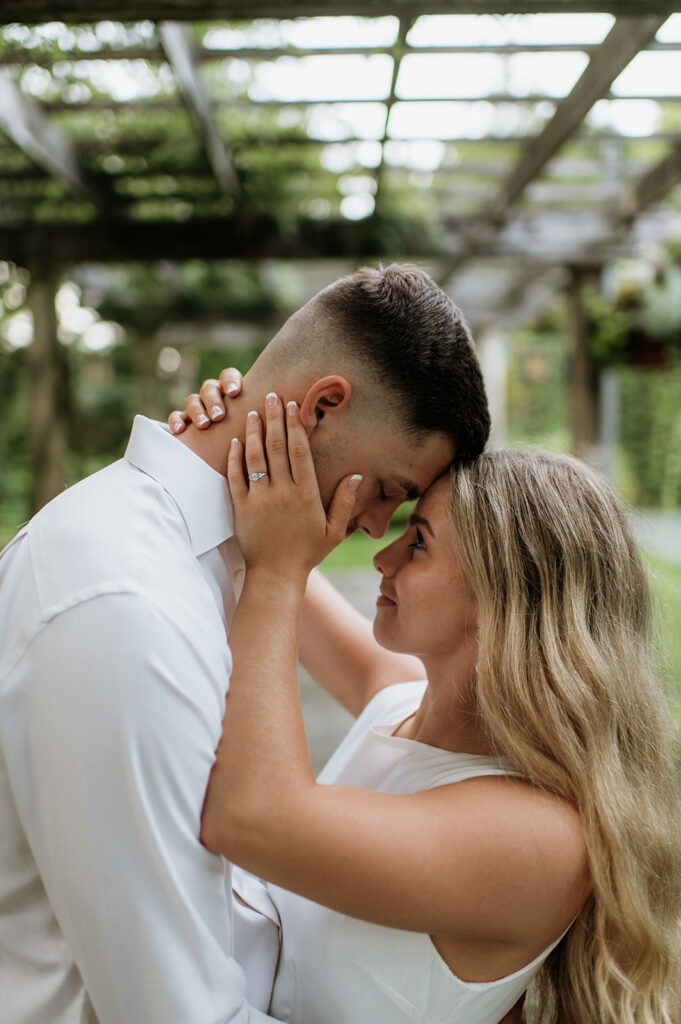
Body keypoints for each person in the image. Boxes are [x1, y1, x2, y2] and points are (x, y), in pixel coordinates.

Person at [0, 265, 493, 1023]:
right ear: (323, 407)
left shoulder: (218, 565)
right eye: (390, 491)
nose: (372, 529)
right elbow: (179, 1012)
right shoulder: (124, 606)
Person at [182, 394, 681, 1023]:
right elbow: (267, 543)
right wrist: (243, 425)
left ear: (504, 600)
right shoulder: (401, 704)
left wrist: (280, 570)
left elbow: (249, 818)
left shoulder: (540, 838)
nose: (383, 559)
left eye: (417, 543)